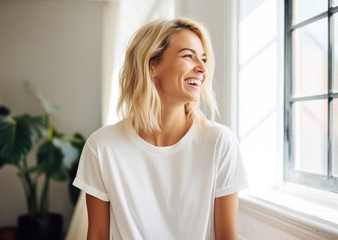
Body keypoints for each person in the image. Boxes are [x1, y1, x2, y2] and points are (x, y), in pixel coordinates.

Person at [73, 17, 248, 240]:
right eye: (188, 56)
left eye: (203, 59)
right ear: (152, 64)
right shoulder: (102, 146)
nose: (203, 68)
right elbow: (97, 235)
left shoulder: (219, 142)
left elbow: (227, 236)